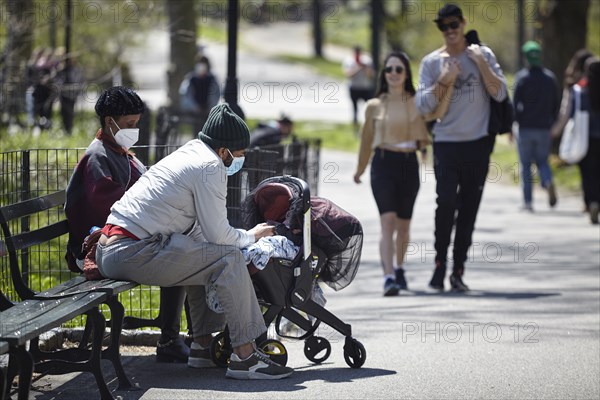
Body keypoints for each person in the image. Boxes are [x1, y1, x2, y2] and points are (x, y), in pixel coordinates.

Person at [95, 103, 294, 379]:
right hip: (129, 250)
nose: (241, 159)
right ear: (223, 151)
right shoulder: (210, 167)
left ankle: (203, 348)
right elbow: (220, 235)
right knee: (230, 258)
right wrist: (252, 235)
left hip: (115, 248)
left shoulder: (191, 152)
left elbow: (206, 234)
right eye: (240, 154)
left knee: (207, 255)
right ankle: (245, 358)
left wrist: (233, 240)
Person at [64, 86, 189, 364]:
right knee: (179, 258)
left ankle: (176, 337)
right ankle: (170, 338)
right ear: (110, 122)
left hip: (123, 238)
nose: (135, 129)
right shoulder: (98, 156)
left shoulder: (120, 151)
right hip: (98, 247)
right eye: (130, 124)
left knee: (182, 252)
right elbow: (110, 207)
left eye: (137, 124)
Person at [415, 3, 508, 292]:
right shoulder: (432, 62)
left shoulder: (484, 54)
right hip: (446, 143)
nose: (450, 31)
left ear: (463, 24)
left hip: (478, 144)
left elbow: (501, 92)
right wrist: (444, 80)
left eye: (454, 24)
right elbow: (422, 105)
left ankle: (458, 270)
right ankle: (439, 264)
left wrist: (480, 62)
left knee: (469, 208)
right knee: (446, 203)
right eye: (443, 26)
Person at [353, 52, 430, 296]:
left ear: (406, 73)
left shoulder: (417, 102)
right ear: (383, 74)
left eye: (398, 69)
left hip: (408, 164)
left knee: (404, 226)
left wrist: (450, 80)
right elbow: (366, 140)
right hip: (383, 164)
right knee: (387, 222)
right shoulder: (374, 105)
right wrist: (360, 169)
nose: (393, 74)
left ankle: (399, 267)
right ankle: (388, 277)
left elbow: (437, 116)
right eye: (389, 69)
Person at [513, 41, 560, 212]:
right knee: (542, 161)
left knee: (526, 165)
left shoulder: (522, 78)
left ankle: (528, 202)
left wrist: (514, 122)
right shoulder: (550, 78)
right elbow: (556, 103)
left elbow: (515, 102)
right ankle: (547, 181)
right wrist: (552, 122)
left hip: (525, 127)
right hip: (544, 128)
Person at [555, 57, 600, 224]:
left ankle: (591, 202)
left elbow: (569, 114)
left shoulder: (579, 91)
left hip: (584, 139)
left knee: (587, 173)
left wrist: (557, 130)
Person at [179, 55, 221, 133]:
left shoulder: (212, 79)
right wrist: (195, 107)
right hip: (195, 113)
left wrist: (210, 108)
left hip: (208, 112)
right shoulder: (191, 78)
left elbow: (216, 95)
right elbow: (185, 94)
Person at [342, 46, 376, 127]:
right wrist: (358, 67)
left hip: (366, 88)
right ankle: (355, 123)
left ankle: (370, 123)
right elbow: (348, 74)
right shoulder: (349, 61)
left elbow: (371, 75)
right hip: (354, 87)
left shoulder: (367, 60)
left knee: (369, 107)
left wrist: (365, 68)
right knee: (355, 107)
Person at [56, 56, 84, 135]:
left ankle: (69, 129)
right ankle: (64, 129)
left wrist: (76, 91)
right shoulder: (61, 71)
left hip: (71, 96)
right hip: (63, 95)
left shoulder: (75, 70)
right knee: (63, 112)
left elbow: (79, 81)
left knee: (70, 113)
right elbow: (57, 81)